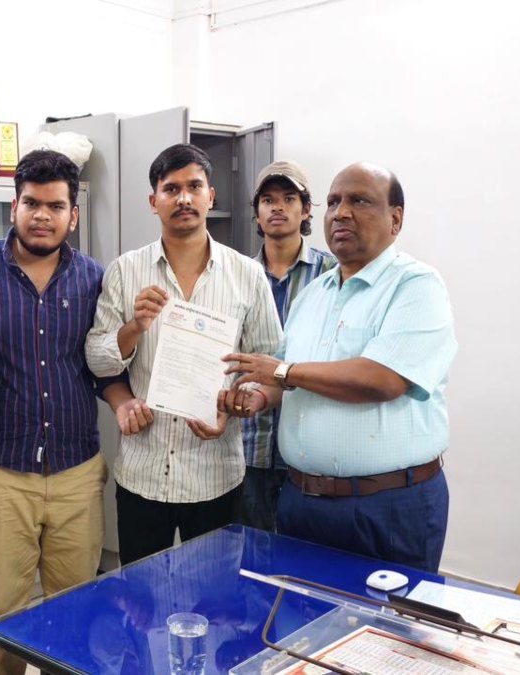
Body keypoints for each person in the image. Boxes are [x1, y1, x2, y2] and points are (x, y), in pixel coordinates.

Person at [221, 162, 457, 572]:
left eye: (359, 201)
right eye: (333, 202)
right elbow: (285, 382)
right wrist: (256, 399)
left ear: (396, 218)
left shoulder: (416, 286)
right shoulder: (313, 295)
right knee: (300, 609)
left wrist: (282, 373)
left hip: (387, 507)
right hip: (302, 502)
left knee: (386, 615)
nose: (341, 213)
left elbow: (382, 379)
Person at [0, 150, 118, 674]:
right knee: (5, 609)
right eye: (31, 203)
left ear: (73, 214)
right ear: (15, 206)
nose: (42, 215)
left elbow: (103, 363)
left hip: (76, 472)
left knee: (74, 607)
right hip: (3, 472)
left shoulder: (93, 278)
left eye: (55, 206)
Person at [85, 143, 281, 565]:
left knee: (215, 593)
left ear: (211, 196)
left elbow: (270, 370)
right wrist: (135, 326)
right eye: (171, 189)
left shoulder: (247, 275)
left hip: (216, 474)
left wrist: (239, 404)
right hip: (143, 472)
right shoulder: (125, 270)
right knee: (141, 593)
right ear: (153, 201)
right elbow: (98, 360)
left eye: (194, 186)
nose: (184, 198)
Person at [235, 161, 336, 531]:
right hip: (249, 445)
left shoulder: (331, 274)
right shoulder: (236, 274)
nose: (277, 207)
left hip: (309, 451)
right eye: (267, 200)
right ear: (257, 213)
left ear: (306, 210)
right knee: (249, 554)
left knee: (304, 555)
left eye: (289, 199)